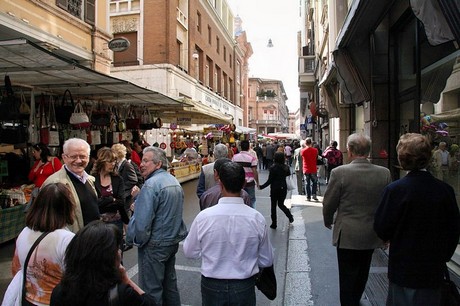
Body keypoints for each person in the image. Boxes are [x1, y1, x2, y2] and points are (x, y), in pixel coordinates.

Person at [374, 133, 460, 306]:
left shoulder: (395, 190)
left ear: (402, 158)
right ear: (427, 157)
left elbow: (381, 226)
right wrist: (443, 256)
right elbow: (454, 230)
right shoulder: (444, 190)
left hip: (403, 266)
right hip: (432, 269)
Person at [183, 162, 274, 305]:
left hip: (212, 285)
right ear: (244, 183)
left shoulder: (204, 217)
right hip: (244, 285)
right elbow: (266, 259)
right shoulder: (256, 219)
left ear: (220, 184)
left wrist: (210, 254)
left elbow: (189, 252)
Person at [322, 133, 392, 306]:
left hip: (347, 234)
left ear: (350, 150)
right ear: (368, 151)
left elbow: (329, 202)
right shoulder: (384, 173)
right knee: (363, 271)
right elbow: (387, 206)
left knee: (346, 276)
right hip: (371, 233)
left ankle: (349, 302)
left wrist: (328, 220)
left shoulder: (340, 172)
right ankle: (356, 298)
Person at [126, 146, 187, 305]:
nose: (141, 164)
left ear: (158, 164)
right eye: (142, 160)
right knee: (169, 286)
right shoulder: (172, 180)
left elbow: (142, 224)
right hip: (170, 241)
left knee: (151, 290)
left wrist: (137, 240)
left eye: (146, 161)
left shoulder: (151, 184)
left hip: (155, 244)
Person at [50, 220, 156, 306]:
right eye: (117, 249)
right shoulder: (122, 294)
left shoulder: (59, 292)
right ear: (108, 257)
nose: (119, 252)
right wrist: (126, 279)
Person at [11, 183, 75, 306]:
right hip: (54, 301)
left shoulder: (25, 233)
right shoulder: (67, 239)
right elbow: (75, 280)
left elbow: (16, 269)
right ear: (67, 207)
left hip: (27, 299)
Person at [42, 138, 100, 233]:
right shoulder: (54, 183)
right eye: (73, 157)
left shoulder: (89, 179)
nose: (78, 161)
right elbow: (48, 220)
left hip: (93, 240)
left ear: (88, 157)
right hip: (73, 242)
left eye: (82, 156)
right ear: (64, 158)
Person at [91, 147, 129, 235]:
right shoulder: (92, 179)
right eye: (110, 161)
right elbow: (93, 203)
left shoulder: (118, 179)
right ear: (102, 162)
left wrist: (103, 201)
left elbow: (121, 202)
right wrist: (111, 199)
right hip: (97, 224)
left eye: (114, 161)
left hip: (116, 223)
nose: (113, 164)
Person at [259, 151, 294, 229]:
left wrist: (262, 187)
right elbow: (288, 178)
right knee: (281, 204)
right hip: (283, 188)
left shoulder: (272, 167)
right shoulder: (286, 167)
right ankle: (290, 216)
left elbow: (270, 180)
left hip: (274, 188)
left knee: (273, 206)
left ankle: (274, 223)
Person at [27, 142, 62, 209]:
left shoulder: (54, 161)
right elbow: (30, 178)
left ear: (40, 151)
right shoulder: (37, 163)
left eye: (34, 152)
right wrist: (38, 166)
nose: (33, 154)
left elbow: (60, 175)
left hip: (50, 191)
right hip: (38, 192)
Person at [232, 140, 260, 208]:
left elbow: (232, 169)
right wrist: (257, 182)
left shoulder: (234, 157)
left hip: (238, 183)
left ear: (240, 147)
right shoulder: (252, 158)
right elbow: (254, 171)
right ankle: (252, 214)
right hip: (250, 183)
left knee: (239, 200)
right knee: (252, 200)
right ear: (249, 147)